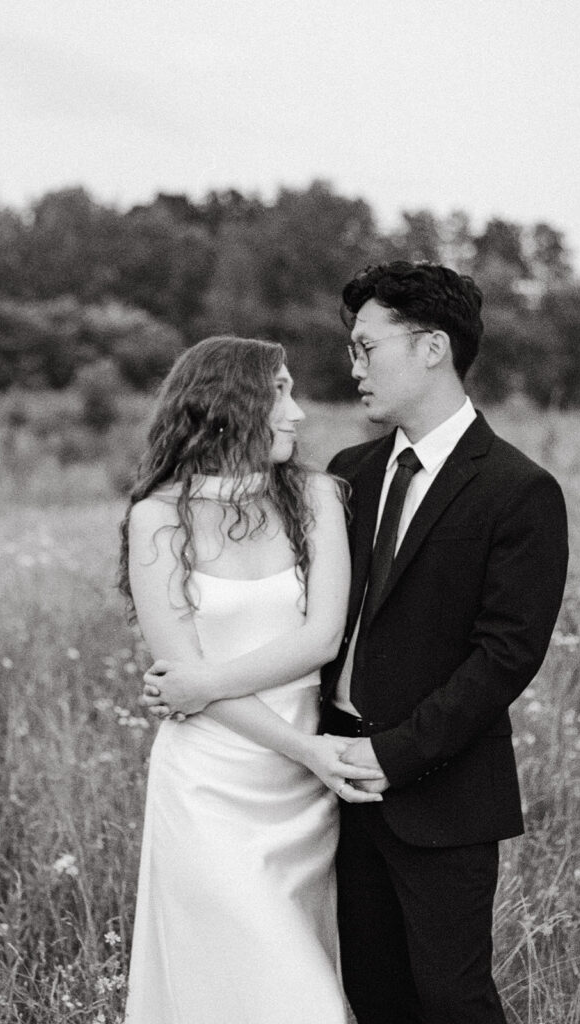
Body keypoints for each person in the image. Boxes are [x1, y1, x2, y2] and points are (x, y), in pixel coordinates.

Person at [318, 261, 569, 1024]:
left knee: (451, 1000)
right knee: (369, 993)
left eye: (367, 346)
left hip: (442, 793)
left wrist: (391, 753)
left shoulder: (518, 490)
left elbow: (505, 657)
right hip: (333, 783)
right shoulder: (347, 473)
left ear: (431, 347)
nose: (352, 366)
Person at [120, 335, 385, 1024]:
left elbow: (320, 638)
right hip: (208, 788)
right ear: (228, 407)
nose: (296, 414)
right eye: (280, 393)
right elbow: (178, 669)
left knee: (300, 990)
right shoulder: (155, 517)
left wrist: (201, 685)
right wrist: (305, 750)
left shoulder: (316, 495)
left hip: (300, 794)